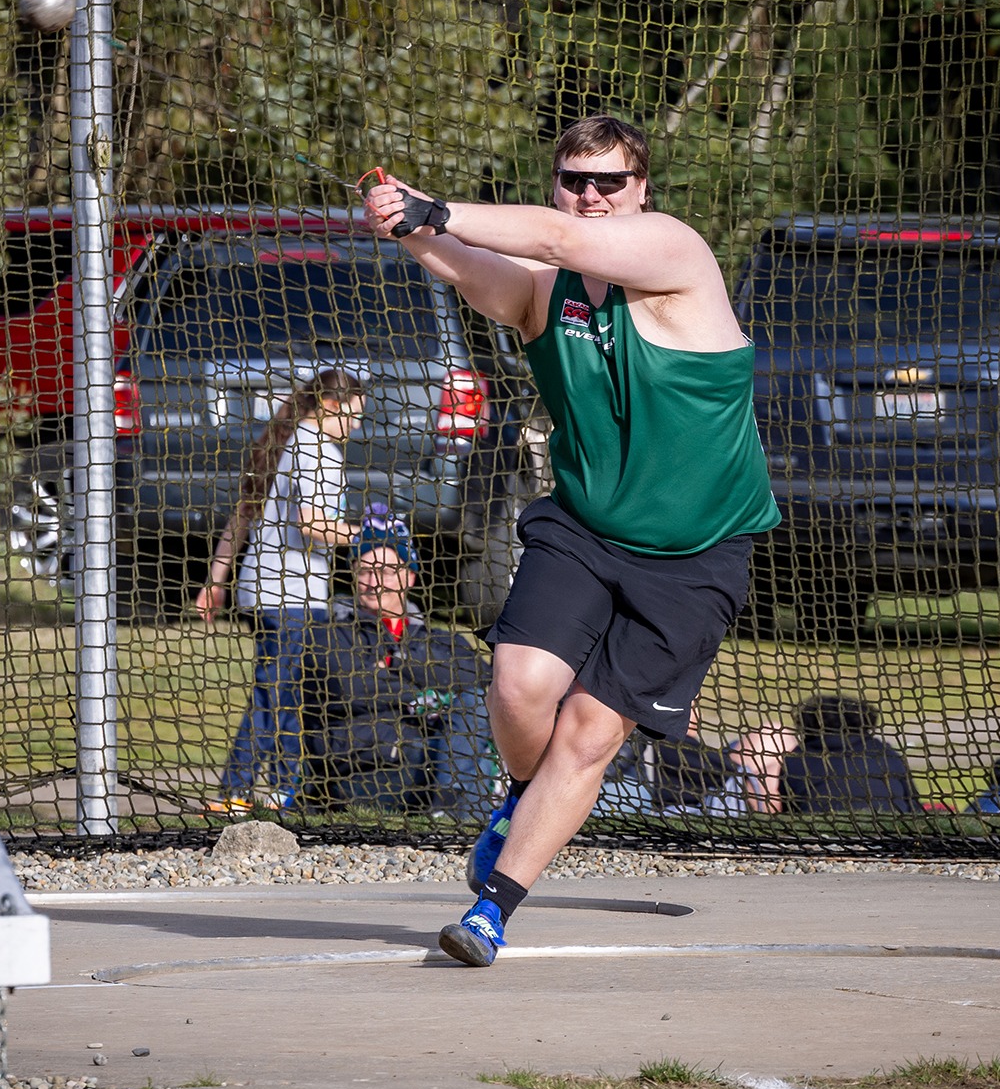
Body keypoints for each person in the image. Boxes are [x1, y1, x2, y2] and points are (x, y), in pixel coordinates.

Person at [363, 114, 781, 966]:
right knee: (518, 686)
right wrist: (404, 227)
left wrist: (434, 206)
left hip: (698, 552)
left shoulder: (676, 255)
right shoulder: (540, 293)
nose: (591, 197)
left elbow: (549, 237)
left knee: (590, 731)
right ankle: (524, 799)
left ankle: (493, 909)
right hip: (588, 526)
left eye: (611, 182)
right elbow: (474, 266)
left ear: (642, 191)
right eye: (574, 180)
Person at [196, 368, 369, 812]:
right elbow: (311, 525)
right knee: (279, 692)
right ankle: (245, 792)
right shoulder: (319, 452)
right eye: (354, 415)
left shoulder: (284, 445)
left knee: (281, 688)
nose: (356, 426)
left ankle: (271, 789)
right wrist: (368, 534)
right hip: (291, 594)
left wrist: (216, 581)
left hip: (259, 588)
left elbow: (242, 516)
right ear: (330, 405)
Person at [296, 510, 492, 819]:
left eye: (388, 571)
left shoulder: (439, 639)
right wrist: (421, 698)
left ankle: (452, 812)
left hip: (432, 752)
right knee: (461, 742)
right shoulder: (327, 634)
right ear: (353, 574)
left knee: (478, 705)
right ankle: (458, 813)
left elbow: (481, 678)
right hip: (365, 764)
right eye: (365, 571)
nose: (375, 582)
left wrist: (396, 663)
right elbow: (351, 689)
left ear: (409, 576)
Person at [652, 695, 919, 816]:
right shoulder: (887, 754)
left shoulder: (798, 760)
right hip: (890, 830)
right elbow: (913, 804)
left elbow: (769, 806)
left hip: (819, 833)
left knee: (769, 740)